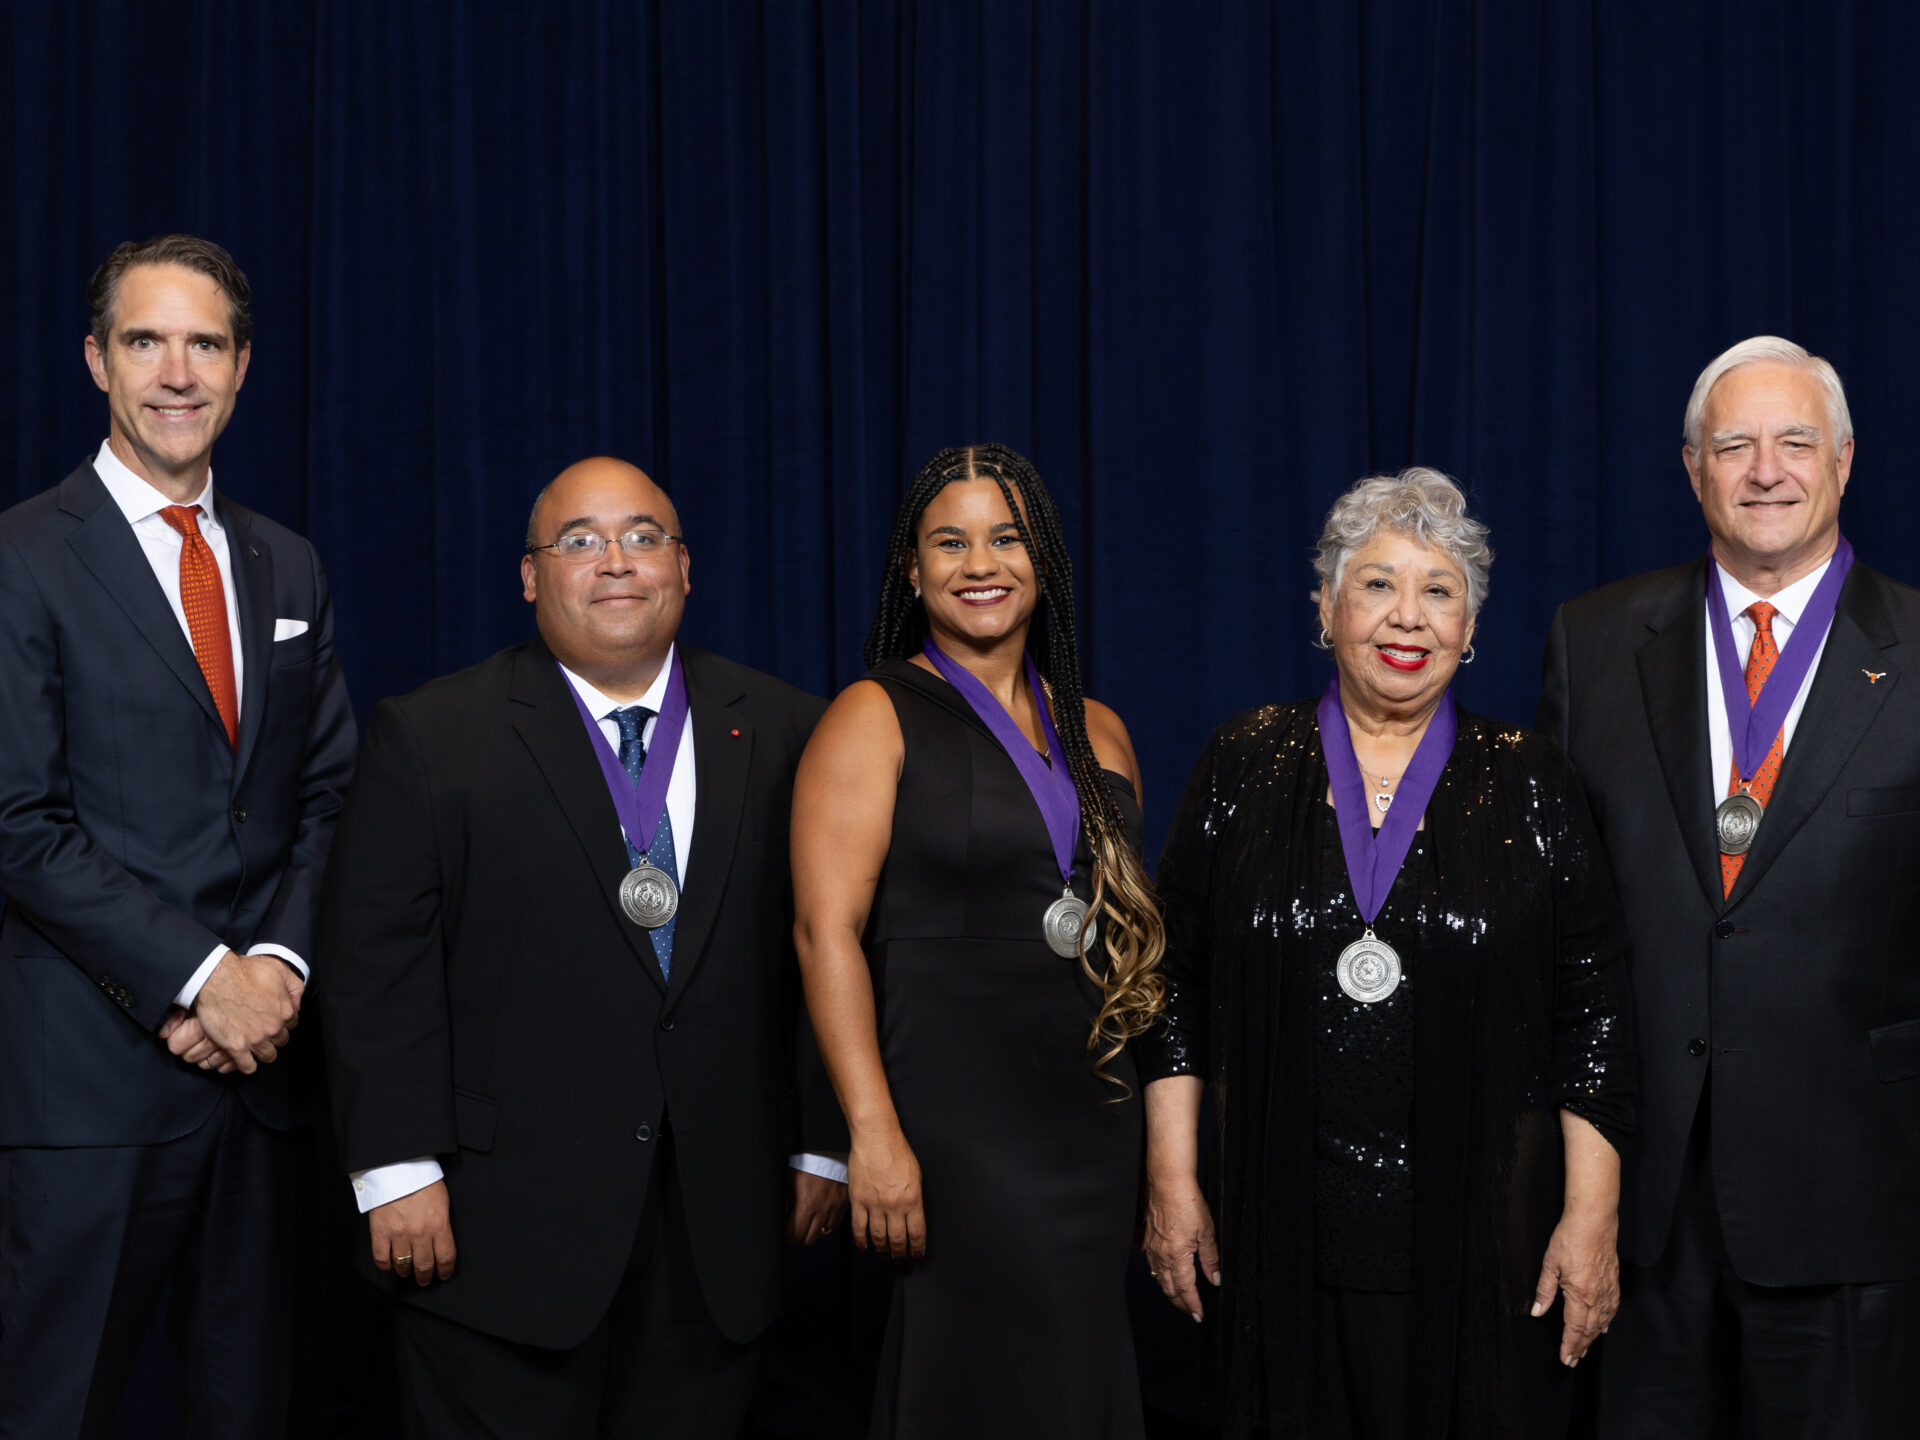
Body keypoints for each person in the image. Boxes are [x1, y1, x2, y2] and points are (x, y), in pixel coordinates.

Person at [317, 456, 848, 1439]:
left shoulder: (789, 729)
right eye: (580, 541)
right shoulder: (432, 737)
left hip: (718, 1227)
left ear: (685, 568)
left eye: (643, 538)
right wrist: (396, 1172)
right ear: (530, 576)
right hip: (492, 1231)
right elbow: (374, 970)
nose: (616, 563)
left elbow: (825, 945)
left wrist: (824, 1138)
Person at [1140, 469, 1637, 1439]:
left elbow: (1598, 1011)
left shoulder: (1534, 779)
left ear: (1472, 627)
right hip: (1272, 1229)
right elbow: (1174, 985)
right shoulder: (1243, 760)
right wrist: (1168, 1181)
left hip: (1486, 1246)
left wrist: (1592, 1220)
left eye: (1439, 591)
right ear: (1324, 607)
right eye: (1376, 584)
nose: (1407, 617)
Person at [0, 234, 358, 1436]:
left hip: (258, 1092)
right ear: (97, 361)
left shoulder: (286, 561)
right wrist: (205, 981)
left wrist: (278, 975)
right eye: (146, 341)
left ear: (243, 366)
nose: (177, 372)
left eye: (205, 343)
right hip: (91, 1099)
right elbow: (19, 823)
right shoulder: (20, 560)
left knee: (248, 1410)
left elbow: (324, 798)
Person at [1538, 337, 1920, 1436]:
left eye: (1795, 442)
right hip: (1640, 1203)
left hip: (1855, 1199)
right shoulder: (1596, 641)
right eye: (1735, 445)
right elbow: (1561, 928)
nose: (1766, 470)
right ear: (1693, 469)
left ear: (1844, 462)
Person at [791, 442, 1166, 1439]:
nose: (979, 562)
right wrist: (871, 1135)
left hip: (1093, 1119)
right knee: (980, 1379)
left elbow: (1132, 940)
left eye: (1006, 538)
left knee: (1079, 1373)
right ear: (911, 571)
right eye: (948, 542)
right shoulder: (871, 718)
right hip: (955, 1128)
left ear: (1043, 560)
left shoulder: (1103, 731)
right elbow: (823, 935)